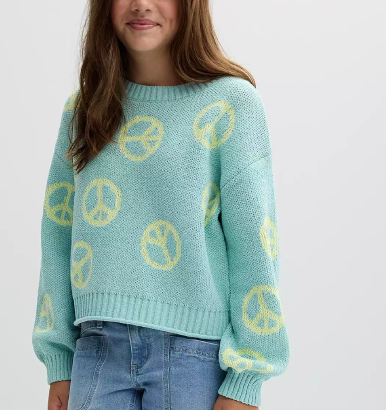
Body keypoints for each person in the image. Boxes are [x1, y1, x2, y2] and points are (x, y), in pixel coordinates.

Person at [32, 0, 290, 409]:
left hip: (194, 357)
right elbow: (57, 235)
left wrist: (247, 377)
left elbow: (254, 246)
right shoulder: (84, 110)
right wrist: (58, 359)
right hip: (96, 351)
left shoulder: (230, 105)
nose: (140, 5)